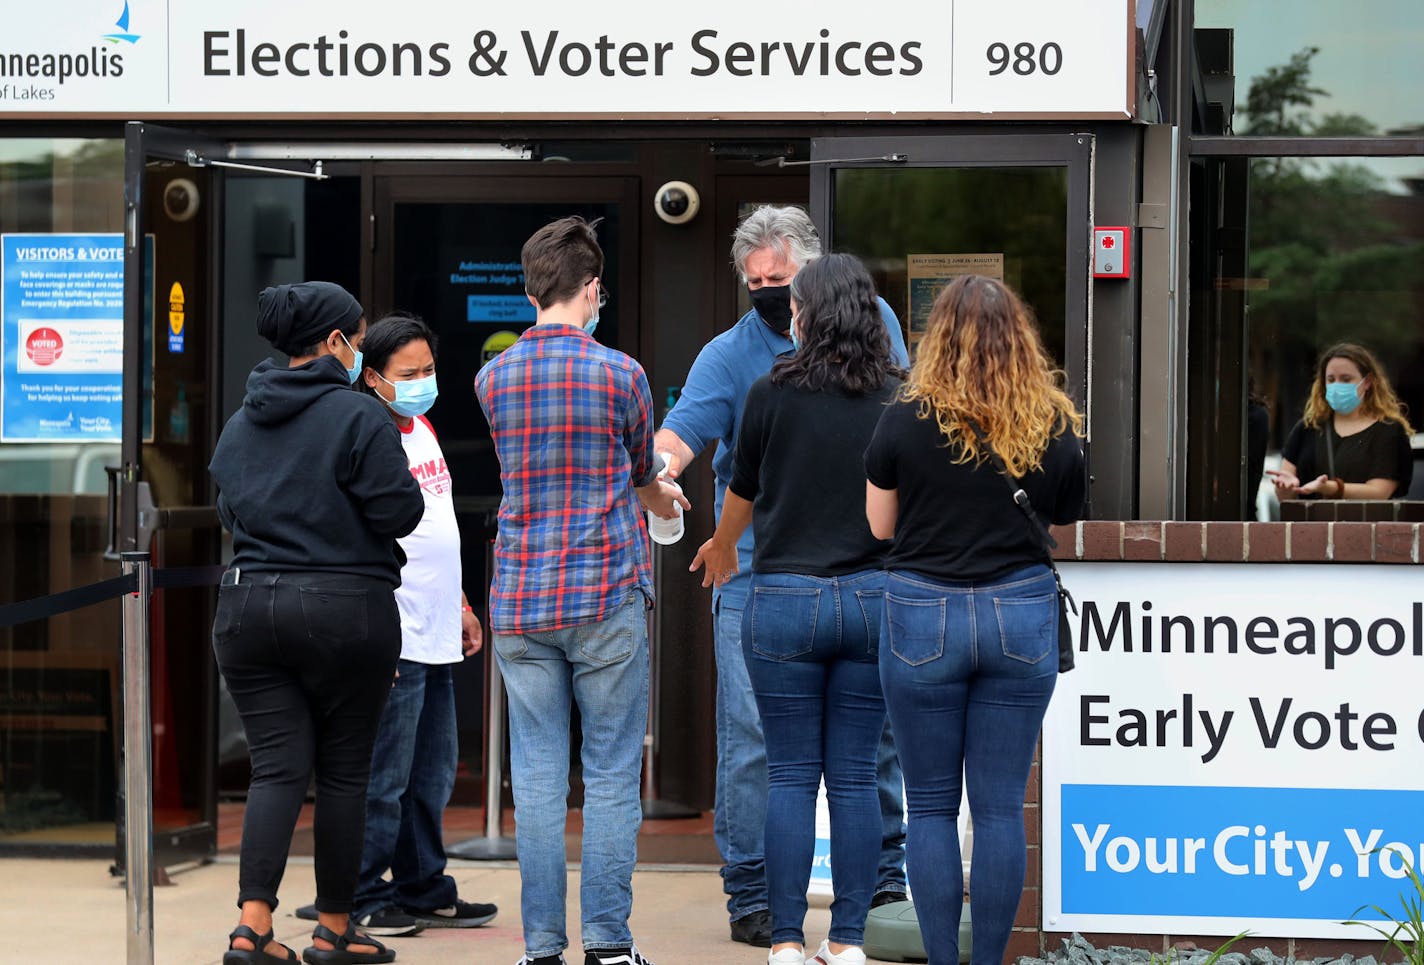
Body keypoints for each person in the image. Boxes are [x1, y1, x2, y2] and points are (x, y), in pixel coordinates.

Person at [655, 204, 912, 947]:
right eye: (755, 280)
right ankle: (757, 894)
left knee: (870, 747)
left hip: (841, 569)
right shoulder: (731, 356)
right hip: (765, 572)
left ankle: (878, 885)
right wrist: (662, 472)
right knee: (754, 739)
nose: (769, 292)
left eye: (782, 280)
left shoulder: (873, 325)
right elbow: (685, 434)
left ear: (812, 281)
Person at [475, 216, 689, 965]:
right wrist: (659, 493)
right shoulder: (621, 374)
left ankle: (540, 947)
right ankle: (607, 942)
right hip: (603, 590)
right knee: (608, 773)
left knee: (534, 779)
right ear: (592, 288)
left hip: (521, 601)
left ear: (533, 285)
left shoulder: (490, 378)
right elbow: (639, 471)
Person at [863, 275, 1085, 965]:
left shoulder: (903, 416)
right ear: (1020, 339)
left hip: (922, 611)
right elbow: (1067, 513)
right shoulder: (1053, 421)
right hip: (1018, 611)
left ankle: (940, 957)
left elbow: (879, 527)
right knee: (996, 809)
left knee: (929, 806)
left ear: (939, 338)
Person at [210, 282, 425, 965]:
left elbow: (229, 512)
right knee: (342, 773)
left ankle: (252, 925)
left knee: (274, 769)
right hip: (345, 608)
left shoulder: (242, 420)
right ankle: (334, 928)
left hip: (247, 608)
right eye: (359, 338)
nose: (362, 349)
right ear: (333, 342)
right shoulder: (358, 418)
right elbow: (401, 513)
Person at [293, 314, 499, 936]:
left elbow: (435, 526)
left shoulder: (425, 426)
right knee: (382, 776)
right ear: (373, 377)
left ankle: (421, 885)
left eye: (429, 370)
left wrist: (461, 604)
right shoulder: (363, 433)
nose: (422, 383)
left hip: (435, 625)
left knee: (430, 772)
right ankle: (357, 894)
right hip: (389, 630)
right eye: (407, 375)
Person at [1268, 342, 1414, 501]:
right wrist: (1285, 488)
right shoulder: (1307, 428)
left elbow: (1378, 492)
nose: (1337, 386)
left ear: (1367, 382)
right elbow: (1285, 495)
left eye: (1346, 379)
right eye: (1331, 379)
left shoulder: (1388, 431)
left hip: (1364, 525)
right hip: (1310, 525)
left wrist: (1330, 487)